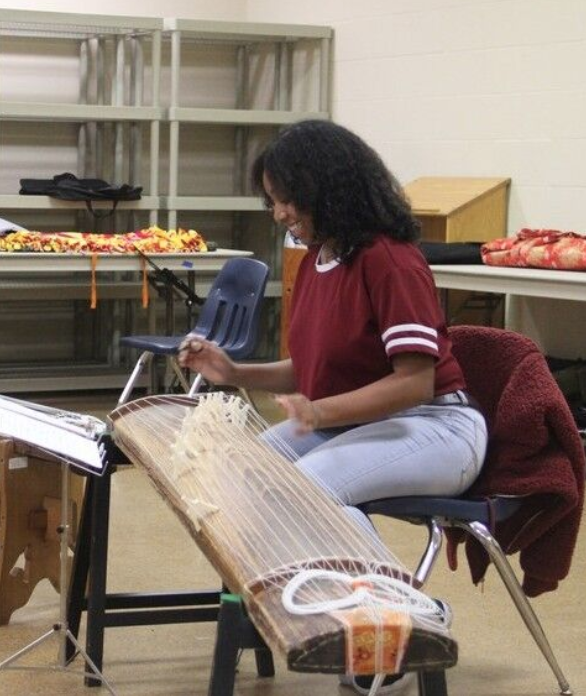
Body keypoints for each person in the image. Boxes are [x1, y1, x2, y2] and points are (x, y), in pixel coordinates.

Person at [178, 119, 485, 693]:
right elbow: (312, 366)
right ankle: (355, 614)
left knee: (310, 487)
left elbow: (415, 382)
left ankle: (406, 621)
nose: (279, 214)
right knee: (247, 475)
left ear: (327, 188)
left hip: (439, 424)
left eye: (286, 200)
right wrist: (235, 371)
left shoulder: (389, 260)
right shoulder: (319, 261)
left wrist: (319, 414)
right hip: (371, 423)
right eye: (273, 201)